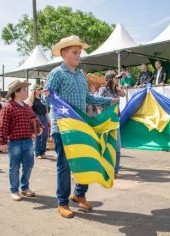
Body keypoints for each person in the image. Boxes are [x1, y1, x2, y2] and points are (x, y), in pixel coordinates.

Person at [42, 35, 116, 218]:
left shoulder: (82, 76)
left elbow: (88, 98)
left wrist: (109, 101)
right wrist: (45, 95)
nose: (79, 55)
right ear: (64, 53)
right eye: (75, 52)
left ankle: (79, 194)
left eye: (79, 52)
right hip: (63, 128)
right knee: (65, 166)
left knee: (88, 159)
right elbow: (46, 98)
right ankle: (62, 202)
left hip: (81, 126)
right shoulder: (56, 73)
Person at [0, 80, 43, 201]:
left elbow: (35, 119)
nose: (27, 91)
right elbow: (3, 125)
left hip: (28, 141)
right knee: (14, 167)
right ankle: (14, 190)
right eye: (24, 90)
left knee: (29, 165)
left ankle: (25, 187)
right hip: (14, 142)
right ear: (16, 93)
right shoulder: (8, 107)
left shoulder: (27, 107)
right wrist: (2, 142)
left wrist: (41, 127)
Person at [98, 70, 125, 177]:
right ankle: (103, 168)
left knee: (117, 145)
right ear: (110, 79)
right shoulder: (103, 89)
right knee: (105, 144)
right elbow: (99, 103)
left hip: (116, 120)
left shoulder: (116, 90)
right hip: (106, 120)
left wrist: (117, 88)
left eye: (118, 78)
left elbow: (124, 94)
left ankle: (115, 170)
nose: (118, 79)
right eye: (116, 78)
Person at [27, 84, 49, 159]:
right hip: (36, 118)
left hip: (44, 117)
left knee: (45, 135)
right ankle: (37, 153)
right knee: (38, 135)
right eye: (39, 89)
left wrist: (49, 121)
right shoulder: (31, 100)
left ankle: (43, 151)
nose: (40, 90)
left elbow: (46, 111)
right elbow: (30, 111)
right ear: (35, 90)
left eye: (41, 89)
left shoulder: (43, 99)